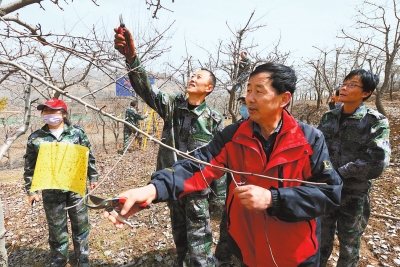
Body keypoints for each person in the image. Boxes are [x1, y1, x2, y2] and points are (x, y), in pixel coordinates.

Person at [105, 63, 343, 266]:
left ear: (284, 98)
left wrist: (274, 199)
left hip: (295, 255)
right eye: (248, 90)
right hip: (247, 252)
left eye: (259, 91)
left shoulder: (309, 139)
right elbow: (197, 166)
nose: (249, 98)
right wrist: (151, 190)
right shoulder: (234, 135)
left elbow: (328, 193)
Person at [114, 28, 229, 266]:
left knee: (200, 246)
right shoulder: (172, 106)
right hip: (172, 187)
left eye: (199, 76)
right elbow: (146, 89)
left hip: (198, 190)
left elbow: (220, 160)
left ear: (209, 88)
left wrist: (219, 199)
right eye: (192, 75)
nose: (192, 78)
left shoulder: (214, 119)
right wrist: (132, 59)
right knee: (181, 241)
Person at [318, 69, 391, 267]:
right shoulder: (328, 118)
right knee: (319, 241)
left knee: (349, 246)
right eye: (344, 83)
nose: (344, 87)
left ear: (366, 93)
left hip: (353, 195)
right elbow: (316, 150)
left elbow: (378, 161)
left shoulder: (375, 121)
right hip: (325, 191)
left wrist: (340, 173)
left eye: (352, 85)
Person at [24, 98, 99, 267]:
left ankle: (83, 260)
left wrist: (93, 177)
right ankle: (59, 260)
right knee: (57, 230)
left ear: (64, 114)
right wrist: (31, 191)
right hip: (51, 189)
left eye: (53, 111)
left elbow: (89, 157)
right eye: (45, 112)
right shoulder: (36, 138)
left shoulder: (77, 134)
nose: (48, 115)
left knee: (81, 226)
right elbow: (30, 167)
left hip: (76, 188)